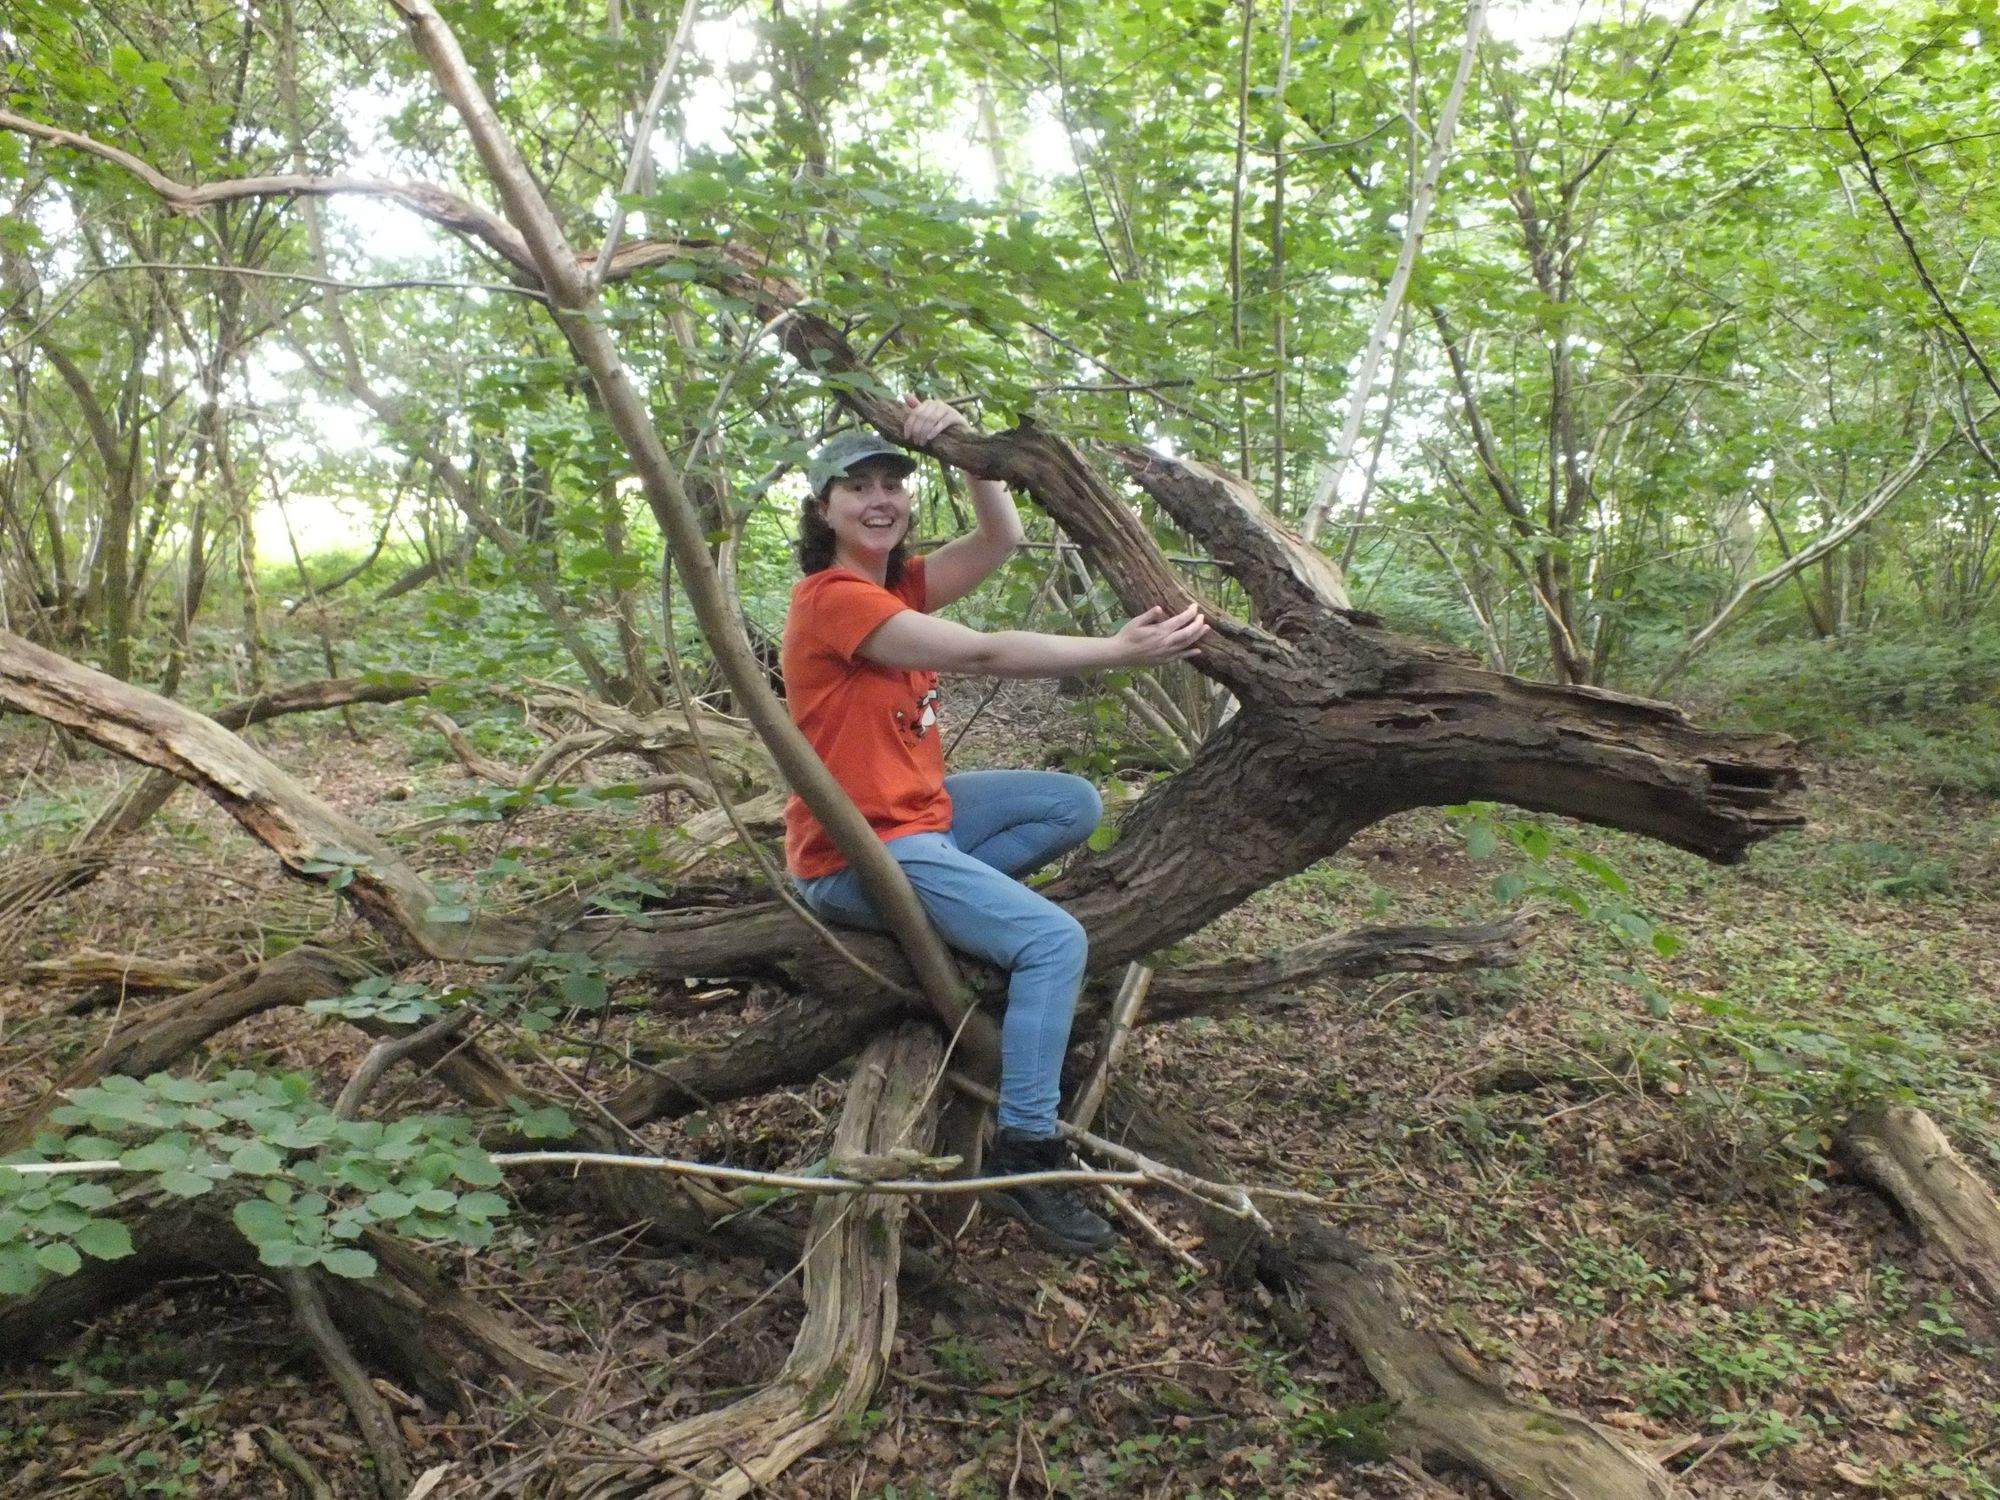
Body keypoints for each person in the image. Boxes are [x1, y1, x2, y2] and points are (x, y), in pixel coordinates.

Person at [781, 395, 1208, 1254]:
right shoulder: (834, 600)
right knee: (1054, 944)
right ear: (822, 509)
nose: (880, 499)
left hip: (917, 825)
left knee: (1071, 804)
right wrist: (1117, 650)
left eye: (892, 484)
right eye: (856, 486)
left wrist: (968, 453)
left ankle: (964, 917)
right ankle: (1026, 1145)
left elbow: (1000, 541)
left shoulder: (892, 583)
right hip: (855, 851)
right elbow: (979, 652)